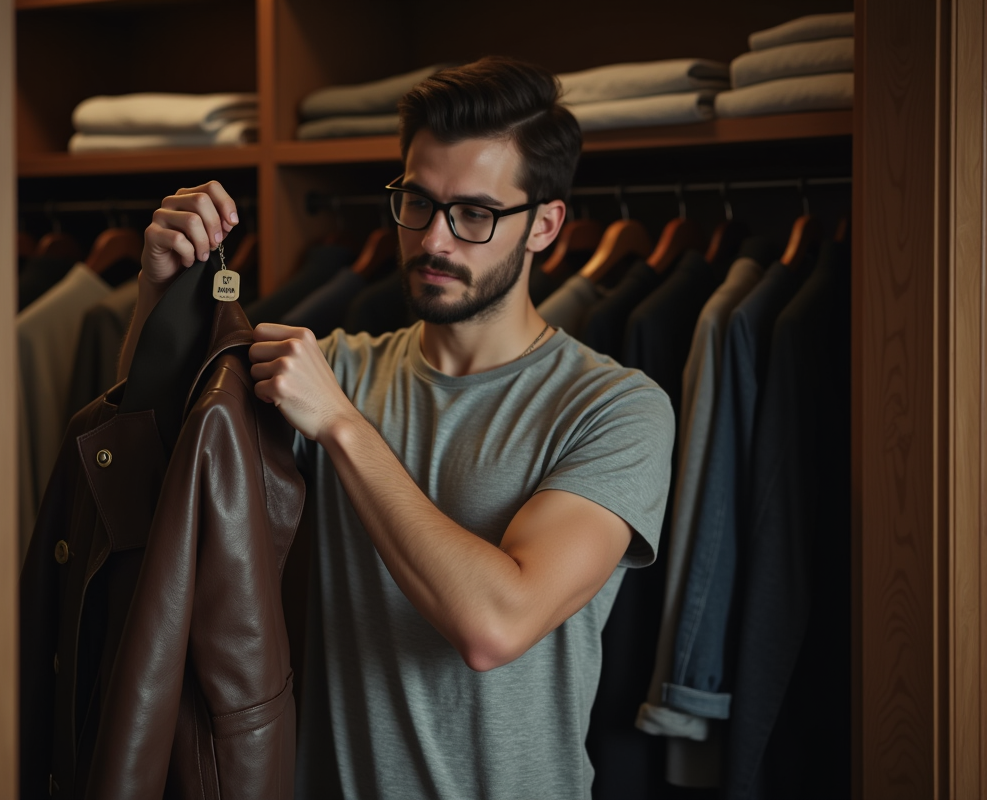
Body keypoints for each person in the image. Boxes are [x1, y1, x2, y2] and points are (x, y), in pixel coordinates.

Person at [118, 57, 674, 800]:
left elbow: (496, 626)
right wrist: (156, 292)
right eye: (418, 201)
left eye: (473, 213)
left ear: (544, 225)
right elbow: (149, 461)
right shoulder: (336, 368)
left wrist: (342, 427)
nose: (435, 240)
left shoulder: (616, 407)